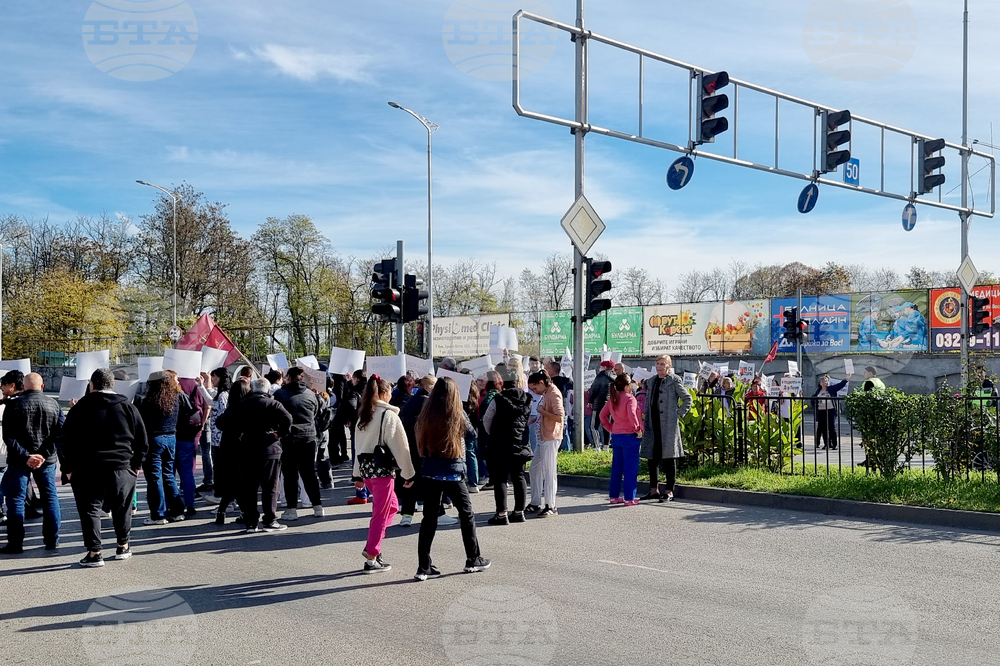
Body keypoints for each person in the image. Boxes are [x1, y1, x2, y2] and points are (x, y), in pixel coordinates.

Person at [60, 369, 149, 567]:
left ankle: (94, 552)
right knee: (122, 507)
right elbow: (142, 440)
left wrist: (68, 468)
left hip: (87, 467)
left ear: (92, 385)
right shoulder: (127, 405)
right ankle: (123, 546)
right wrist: (136, 465)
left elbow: (65, 440)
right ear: (113, 385)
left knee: (90, 509)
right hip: (121, 465)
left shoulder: (81, 406)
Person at [413, 377, 491, 580]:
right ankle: (473, 559)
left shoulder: (425, 414)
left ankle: (424, 566)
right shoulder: (457, 413)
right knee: (466, 514)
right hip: (453, 470)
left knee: (429, 519)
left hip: (429, 470)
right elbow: (472, 434)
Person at [352, 376, 416, 573]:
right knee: (380, 514)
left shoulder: (364, 415)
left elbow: (358, 448)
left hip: (368, 470)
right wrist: (409, 474)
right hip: (383, 471)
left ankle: (373, 543)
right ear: (385, 394)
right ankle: (372, 555)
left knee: (391, 507)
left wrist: (357, 475)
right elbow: (401, 448)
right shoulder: (388, 416)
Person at [217, 377, 293, 533]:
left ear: (252, 389)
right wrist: (279, 433)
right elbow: (288, 419)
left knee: (249, 487)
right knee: (270, 487)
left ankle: (251, 522)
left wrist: (239, 429)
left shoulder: (241, 405)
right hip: (269, 448)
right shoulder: (273, 404)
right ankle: (270, 520)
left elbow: (221, 422)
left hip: (247, 448)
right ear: (267, 390)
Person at [1, 373, 64, 554]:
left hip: (19, 460)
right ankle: (52, 540)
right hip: (47, 460)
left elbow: (9, 437)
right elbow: (60, 434)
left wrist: (26, 456)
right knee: (50, 497)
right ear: (42, 386)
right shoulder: (54, 404)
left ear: (24, 387)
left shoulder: (13, 405)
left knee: (16, 500)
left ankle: (15, 543)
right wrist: (43, 454)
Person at [274, 367, 332, 522]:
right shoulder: (311, 394)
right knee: (309, 474)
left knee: (290, 475)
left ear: (289, 377)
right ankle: (318, 506)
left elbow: (275, 416)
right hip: (308, 438)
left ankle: (291, 509)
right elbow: (317, 414)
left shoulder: (279, 395)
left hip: (288, 439)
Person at [139, 370, 194, 524]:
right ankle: (177, 511)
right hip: (171, 438)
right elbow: (192, 414)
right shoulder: (177, 398)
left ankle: (158, 514)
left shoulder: (148, 401)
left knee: (155, 477)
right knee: (169, 474)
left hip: (153, 439)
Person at [482, 366, 532, 525]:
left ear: (503, 382)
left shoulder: (498, 398)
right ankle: (519, 512)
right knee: (519, 476)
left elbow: (486, 420)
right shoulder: (527, 399)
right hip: (520, 443)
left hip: (500, 443)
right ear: (517, 382)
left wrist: (493, 433)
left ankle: (501, 514)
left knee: (500, 478)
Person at [640, 355, 693, 502]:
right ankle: (653, 490)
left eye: (662, 364)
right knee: (652, 458)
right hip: (653, 423)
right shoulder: (651, 381)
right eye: (657, 363)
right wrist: (645, 416)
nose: (659, 366)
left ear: (668, 366)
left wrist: (678, 414)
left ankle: (669, 491)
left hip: (668, 425)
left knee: (669, 459)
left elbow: (688, 399)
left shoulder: (674, 380)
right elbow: (648, 401)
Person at [396, 375, 440, 527]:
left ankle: (406, 515)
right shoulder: (430, 403)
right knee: (430, 482)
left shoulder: (411, 402)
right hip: (425, 447)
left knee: (409, 479)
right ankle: (435, 514)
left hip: (409, 446)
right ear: (430, 387)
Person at [600, 373, 643, 505]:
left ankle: (614, 496)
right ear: (627, 386)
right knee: (630, 468)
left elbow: (602, 415)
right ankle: (629, 498)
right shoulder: (630, 398)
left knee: (617, 467)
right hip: (630, 436)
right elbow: (631, 414)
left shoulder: (613, 398)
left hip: (617, 435)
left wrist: (610, 427)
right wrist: (637, 429)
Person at [214, 378, 251, 525]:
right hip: (243, 446)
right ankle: (243, 511)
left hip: (229, 446)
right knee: (237, 481)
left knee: (232, 480)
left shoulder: (233, 408)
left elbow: (220, 423)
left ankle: (222, 512)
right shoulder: (247, 407)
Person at [527, 370, 564, 517]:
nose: (535, 392)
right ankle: (536, 502)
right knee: (535, 469)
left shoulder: (553, 393)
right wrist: (535, 419)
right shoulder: (546, 393)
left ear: (541, 383)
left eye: (535, 388)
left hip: (551, 437)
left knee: (549, 472)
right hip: (544, 437)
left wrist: (541, 412)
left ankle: (551, 505)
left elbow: (559, 417)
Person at [477, 370, 503, 490]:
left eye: (484, 379)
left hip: (488, 428)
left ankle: (493, 479)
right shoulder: (497, 392)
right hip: (494, 429)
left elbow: (486, 414)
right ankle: (497, 478)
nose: (481, 381)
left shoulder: (490, 395)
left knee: (489, 454)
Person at [813, 373, 851, 450]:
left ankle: (834, 444)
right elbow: (813, 399)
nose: (825, 382)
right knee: (824, 429)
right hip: (821, 411)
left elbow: (840, 385)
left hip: (830, 410)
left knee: (832, 428)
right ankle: (826, 444)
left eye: (826, 381)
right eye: (823, 381)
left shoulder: (831, 389)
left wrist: (846, 378)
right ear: (820, 383)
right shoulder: (818, 391)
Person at [546, 360, 573, 452]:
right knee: (563, 428)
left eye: (548, 368)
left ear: (553, 370)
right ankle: (565, 448)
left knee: (563, 428)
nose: (546, 370)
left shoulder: (552, 382)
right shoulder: (565, 380)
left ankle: (566, 448)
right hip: (560, 407)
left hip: (559, 406)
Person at [589, 361, 615, 450]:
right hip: (609, 404)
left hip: (598, 404)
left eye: (600, 366)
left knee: (594, 426)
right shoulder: (614, 377)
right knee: (606, 424)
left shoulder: (600, 376)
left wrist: (590, 400)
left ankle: (597, 446)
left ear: (604, 367)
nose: (599, 368)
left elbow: (594, 389)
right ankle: (606, 446)